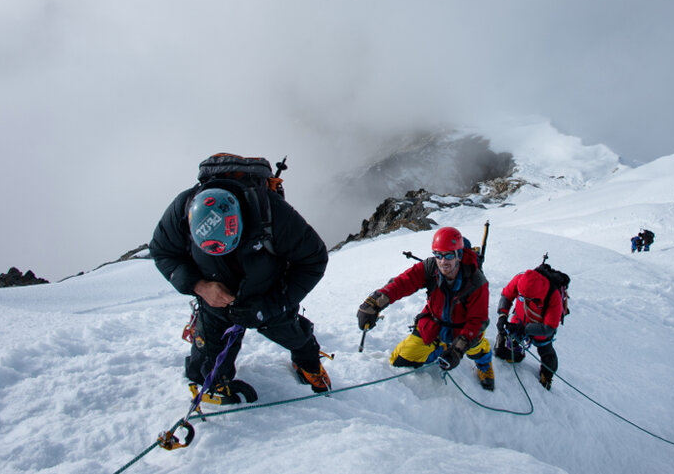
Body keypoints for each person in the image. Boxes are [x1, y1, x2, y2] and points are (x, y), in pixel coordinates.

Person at [150, 153, 331, 401]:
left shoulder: (273, 212)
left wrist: (271, 304)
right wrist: (200, 286)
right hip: (214, 298)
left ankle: (308, 362)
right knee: (202, 369)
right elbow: (163, 251)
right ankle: (215, 381)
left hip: (268, 293)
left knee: (293, 334)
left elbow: (314, 258)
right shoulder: (183, 208)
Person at [356, 226, 495, 391]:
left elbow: (477, 321)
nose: (443, 261)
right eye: (439, 255)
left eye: (449, 255)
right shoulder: (431, 268)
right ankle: (440, 349)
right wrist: (374, 303)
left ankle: (484, 365)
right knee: (400, 359)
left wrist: (457, 350)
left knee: (476, 348)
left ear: (459, 255)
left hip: (464, 331)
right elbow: (402, 283)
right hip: (433, 325)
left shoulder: (476, 280)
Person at [494, 268, 564, 390]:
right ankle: (515, 355)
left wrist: (525, 329)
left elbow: (549, 328)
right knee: (511, 344)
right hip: (520, 321)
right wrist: (502, 315)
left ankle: (547, 375)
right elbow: (506, 296)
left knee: (546, 352)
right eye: (522, 297)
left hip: (539, 329)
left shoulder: (553, 296)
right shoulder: (519, 280)